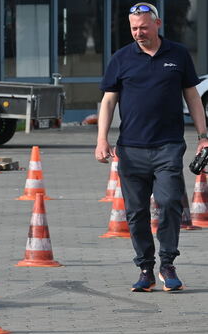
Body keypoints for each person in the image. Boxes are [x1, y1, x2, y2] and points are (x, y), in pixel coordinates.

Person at [95, 2, 208, 292]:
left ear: (157, 25)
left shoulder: (178, 55)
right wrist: (101, 139)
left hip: (168, 146)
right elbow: (108, 101)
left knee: (170, 202)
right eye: (134, 28)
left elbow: (193, 97)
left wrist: (203, 136)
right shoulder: (121, 59)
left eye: (143, 27)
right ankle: (145, 267)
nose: (138, 33)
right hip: (131, 148)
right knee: (135, 212)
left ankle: (167, 263)